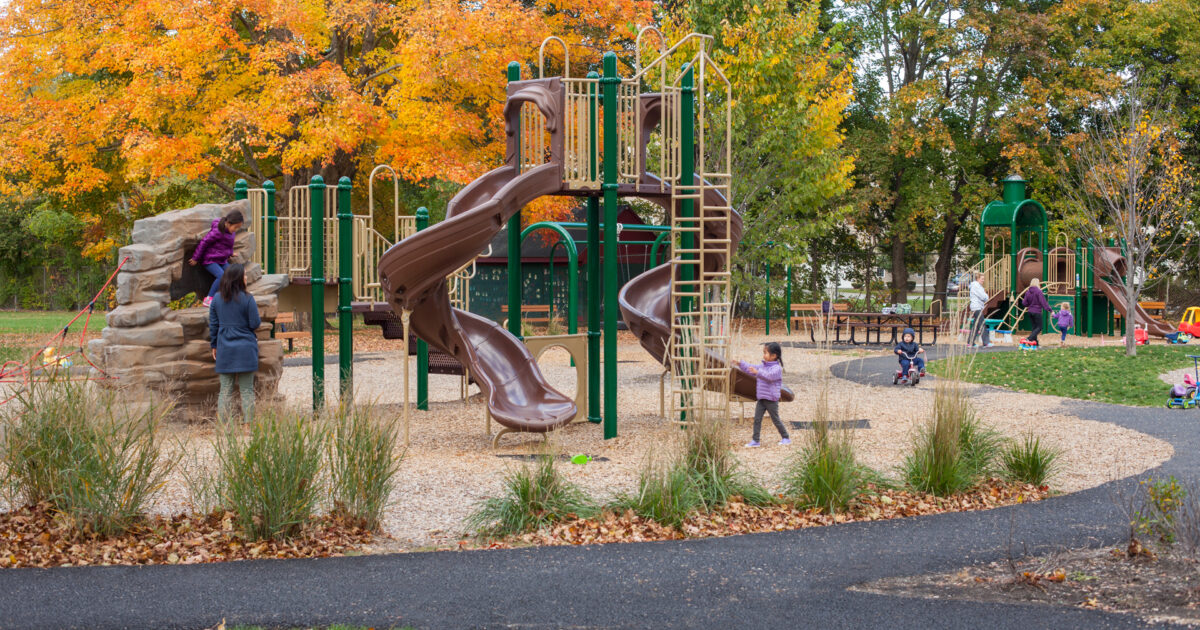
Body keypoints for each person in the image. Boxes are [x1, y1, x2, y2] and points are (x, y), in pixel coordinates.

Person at [209, 263, 261, 423]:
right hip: (246, 348)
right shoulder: (248, 298)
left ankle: (223, 427)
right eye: (244, 275)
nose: (246, 278)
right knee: (247, 390)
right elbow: (255, 323)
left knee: (225, 390)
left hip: (225, 347)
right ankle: (248, 426)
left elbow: (213, 325)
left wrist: (214, 345)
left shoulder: (216, 299)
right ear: (238, 279)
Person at [739, 342, 790, 448]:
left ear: (774, 356)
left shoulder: (777, 369)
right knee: (757, 419)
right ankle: (755, 440)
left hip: (771, 399)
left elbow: (769, 377)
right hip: (762, 398)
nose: (763, 355)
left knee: (775, 419)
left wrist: (757, 372)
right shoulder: (763, 366)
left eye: (765, 353)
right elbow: (751, 367)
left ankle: (786, 437)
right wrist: (740, 364)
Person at [190, 210, 244, 308]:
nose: (236, 230)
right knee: (222, 276)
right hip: (210, 260)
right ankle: (208, 299)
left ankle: (231, 296)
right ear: (228, 223)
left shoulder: (231, 231)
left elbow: (227, 245)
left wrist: (230, 253)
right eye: (235, 227)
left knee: (233, 274)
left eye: (238, 228)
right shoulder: (218, 231)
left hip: (221, 259)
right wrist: (195, 258)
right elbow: (204, 242)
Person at [1020, 278, 1051, 345]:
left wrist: (1029, 304)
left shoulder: (1028, 292)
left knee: (1034, 328)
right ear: (1037, 283)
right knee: (1040, 327)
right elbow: (1043, 302)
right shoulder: (1038, 291)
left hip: (1030, 311)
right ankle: (1029, 339)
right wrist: (1049, 309)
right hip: (1037, 311)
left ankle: (1035, 343)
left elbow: (1024, 303)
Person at [968, 273, 993, 348]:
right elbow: (983, 297)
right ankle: (986, 342)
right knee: (982, 324)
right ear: (978, 279)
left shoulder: (976, 286)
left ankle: (970, 342)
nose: (983, 280)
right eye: (982, 279)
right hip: (977, 307)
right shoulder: (976, 286)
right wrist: (986, 296)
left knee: (976, 325)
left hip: (976, 307)